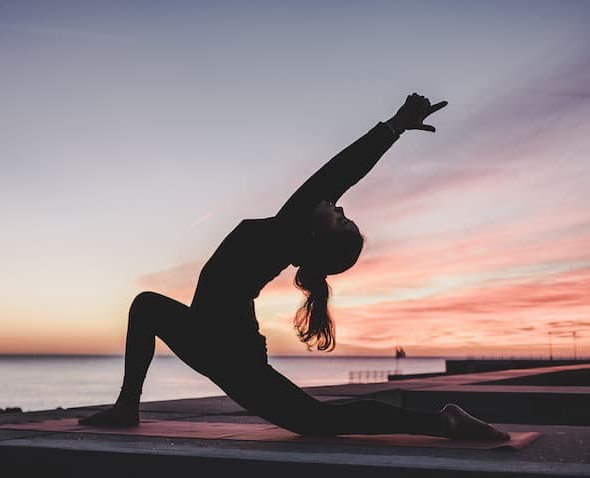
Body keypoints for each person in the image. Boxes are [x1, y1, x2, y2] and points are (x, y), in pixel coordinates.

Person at [79, 93, 510, 441]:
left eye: (341, 218)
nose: (337, 205)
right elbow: (338, 179)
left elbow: (341, 171)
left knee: (316, 423)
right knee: (147, 306)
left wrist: (394, 126)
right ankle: (127, 406)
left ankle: (441, 422)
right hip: (209, 337)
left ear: (317, 239)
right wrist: (394, 127)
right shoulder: (289, 235)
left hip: (228, 352)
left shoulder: (290, 229)